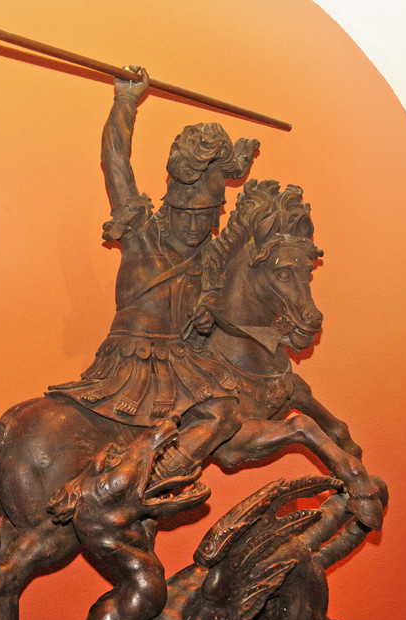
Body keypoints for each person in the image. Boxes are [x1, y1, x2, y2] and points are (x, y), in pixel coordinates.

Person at [49, 66, 259, 477]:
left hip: (178, 362)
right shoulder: (142, 235)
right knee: (220, 413)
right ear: (169, 207)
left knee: (227, 410)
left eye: (205, 216)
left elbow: (199, 329)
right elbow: (115, 162)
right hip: (132, 361)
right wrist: (126, 100)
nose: (195, 227)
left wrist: (201, 323)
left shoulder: (205, 262)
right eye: (185, 214)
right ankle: (155, 480)